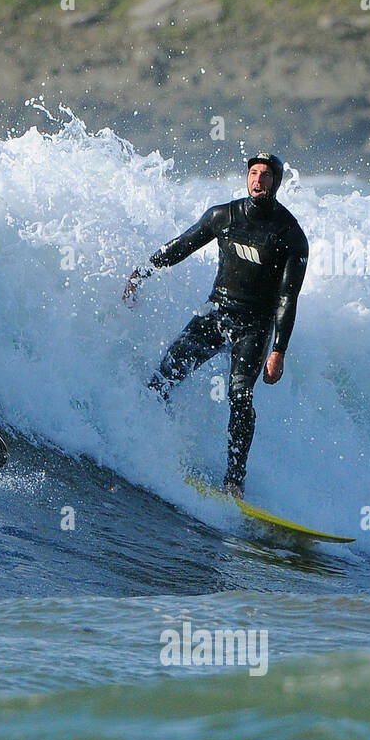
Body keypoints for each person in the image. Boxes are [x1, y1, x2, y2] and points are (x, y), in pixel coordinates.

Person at [127, 152, 308, 498]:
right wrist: (142, 272)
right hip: (216, 314)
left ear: (276, 182)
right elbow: (182, 246)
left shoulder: (290, 235)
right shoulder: (224, 216)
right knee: (163, 378)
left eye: (266, 176)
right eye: (253, 173)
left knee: (239, 396)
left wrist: (279, 350)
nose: (258, 180)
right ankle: (142, 442)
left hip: (254, 327)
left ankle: (234, 482)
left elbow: (288, 297)